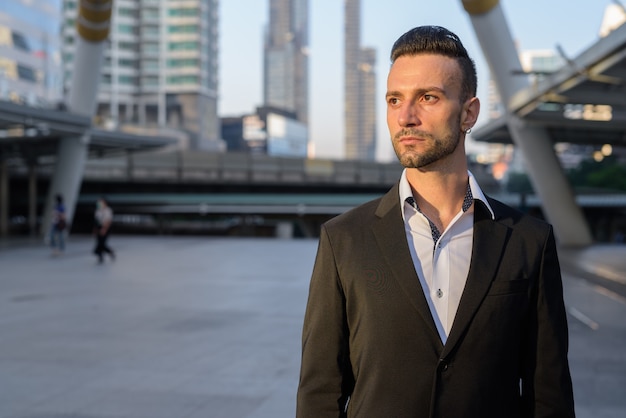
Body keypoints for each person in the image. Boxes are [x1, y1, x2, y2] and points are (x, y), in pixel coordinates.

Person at [296, 26, 575, 417]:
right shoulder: (343, 240)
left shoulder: (528, 241)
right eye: (395, 100)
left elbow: (549, 396)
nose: (406, 117)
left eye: (428, 98)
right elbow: (320, 393)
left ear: (469, 113)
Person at [93, 197, 115, 263]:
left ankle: (110, 252)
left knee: (102, 243)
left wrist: (104, 229)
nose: (99, 204)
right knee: (99, 242)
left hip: (105, 227)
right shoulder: (98, 210)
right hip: (99, 227)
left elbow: (108, 221)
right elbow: (96, 221)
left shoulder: (108, 210)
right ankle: (100, 257)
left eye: (100, 202)